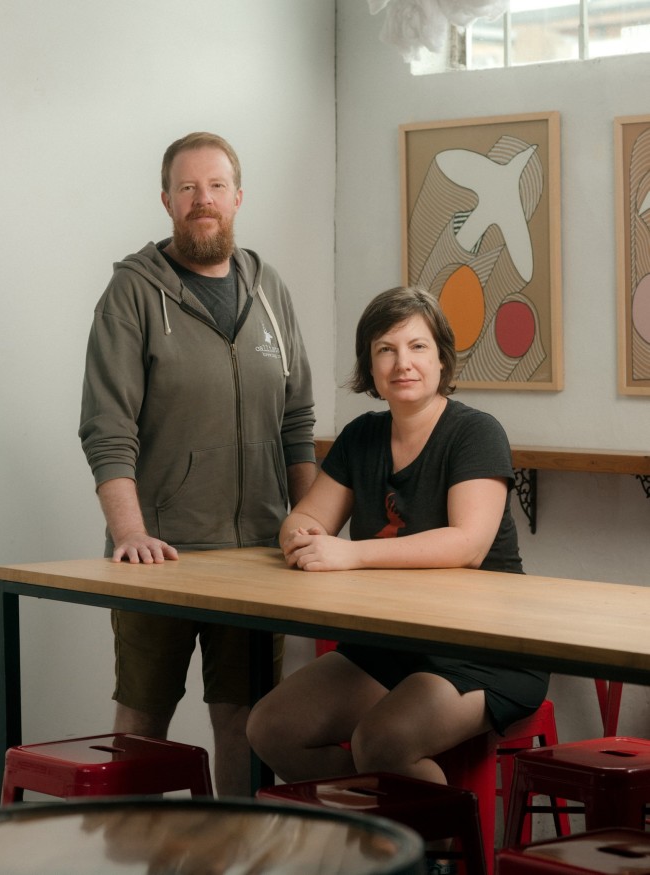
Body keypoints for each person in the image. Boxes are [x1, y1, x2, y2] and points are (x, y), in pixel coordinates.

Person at [79, 132, 317, 796]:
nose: (201, 200)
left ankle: (234, 858)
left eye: (215, 186)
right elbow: (107, 427)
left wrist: (307, 523)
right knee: (142, 720)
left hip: (255, 556)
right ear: (166, 200)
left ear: (238, 197)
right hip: (161, 556)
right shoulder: (132, 292)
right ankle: (141, 858)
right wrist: (130, 533)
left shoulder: (269, 289)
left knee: (243, 720)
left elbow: (297, 422)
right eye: (187, 188)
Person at [246, 286, 549, 790]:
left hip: (484, 649)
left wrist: (349, 553)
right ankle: (379, 833)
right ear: (370, 365)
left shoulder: (476, 432)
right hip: (391, 644)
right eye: (385, 349)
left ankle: (442, 860)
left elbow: (467, 545)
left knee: (382, 742)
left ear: (442, 358)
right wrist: (300, 537)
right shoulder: (362, 435)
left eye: (417, 347)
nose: (401, 363)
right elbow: (305, 518)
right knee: (271, 728)